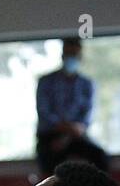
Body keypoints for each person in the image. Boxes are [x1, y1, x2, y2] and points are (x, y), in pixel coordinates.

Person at [36, 38, 109, 176]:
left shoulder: (86, 84)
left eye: (74, 55)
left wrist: (70, 134)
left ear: (80, 57)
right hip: (50, 136)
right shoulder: (46, 82)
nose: (71, 59)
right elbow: (44, 112)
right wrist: (62, 129)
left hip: (76, 136)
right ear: (62, 56)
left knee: (100, 158)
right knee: (50, 167)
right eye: (68, 54)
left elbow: (87, 116)